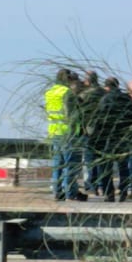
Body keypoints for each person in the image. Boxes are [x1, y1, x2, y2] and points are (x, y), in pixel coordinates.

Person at [45, 69, 83, 203]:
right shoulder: (67, 93)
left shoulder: (49, 93)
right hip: (68, 133)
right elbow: (71, 115)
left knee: (58, 165)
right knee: (70, 165)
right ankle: (70, 193)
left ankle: (57, 192)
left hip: (54, 132)